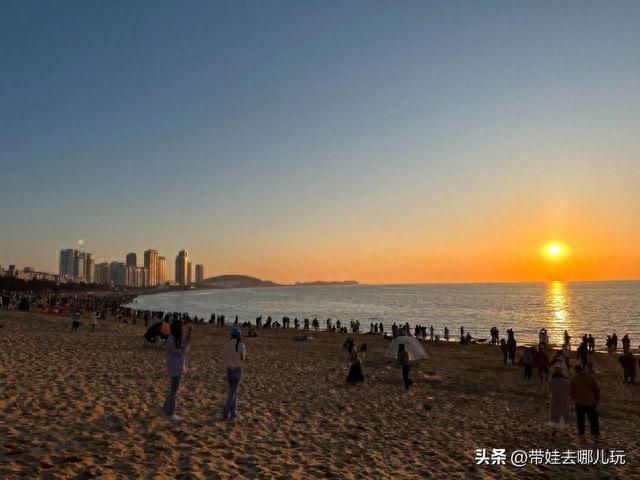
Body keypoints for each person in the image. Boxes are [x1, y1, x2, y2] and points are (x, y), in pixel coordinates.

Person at [162, 320, 191, 421]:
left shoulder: (173, 338)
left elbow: (182, 349)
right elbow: (181, 352)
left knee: (172, 389)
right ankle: (170, 413)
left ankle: (165, 409)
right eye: (181, 328)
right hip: (175, 367)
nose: (182, 329)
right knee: (174, 391)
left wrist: (186, 339)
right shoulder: (171, 340)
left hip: (175, 366)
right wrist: (186, 343)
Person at [220, 327, 246, 422]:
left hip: (229, 370)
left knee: (233, 392)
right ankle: (225, 413)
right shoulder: (241, 345)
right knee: (232, 393)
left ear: (231, 335)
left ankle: (233, 413)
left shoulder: (227, 345)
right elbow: (243, 358)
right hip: (237, 370)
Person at [570, 365, 600, 440]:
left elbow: (571, 391)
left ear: (575, 370)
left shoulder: (573, 379)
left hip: (579, 401)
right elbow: (596, 389)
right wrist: (597, 398)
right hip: (591, 401)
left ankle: (581, 432)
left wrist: (574, 397)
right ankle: (595, 433)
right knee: (593, 418)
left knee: (580, 418)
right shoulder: (589, 377)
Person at [548, 365, 570, 437]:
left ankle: (554, 428)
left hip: (554, 398)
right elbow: (569, 390)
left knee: (554, 414)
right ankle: (563, 430)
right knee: (563, 413)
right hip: (563, 399)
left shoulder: (551, 380)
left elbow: (549, 389)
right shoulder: (565, 381)